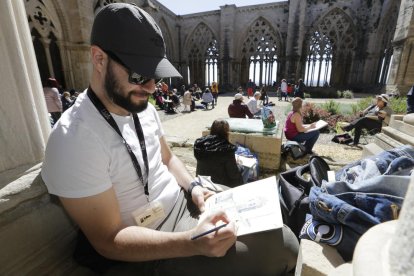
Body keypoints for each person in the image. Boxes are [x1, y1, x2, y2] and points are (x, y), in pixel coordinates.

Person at [41, 4, 298, 275]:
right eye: (140, 75)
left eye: (155, 75)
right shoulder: (74, 139)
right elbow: (108, 241)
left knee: (281, 230)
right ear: (99, 59)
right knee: (286, 248)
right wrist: (193, 243)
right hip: (154, 250)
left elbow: (168, 158)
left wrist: (194, 187)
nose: (152, 87)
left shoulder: (143, 108)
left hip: (185, 207)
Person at [194, 119, 243, 187]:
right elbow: (234, 174)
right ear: (226, 132)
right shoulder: (226, 149)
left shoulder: (200, 144)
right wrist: (240, 166)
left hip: (202, 181)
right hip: (218, 185)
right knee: (243, 171)